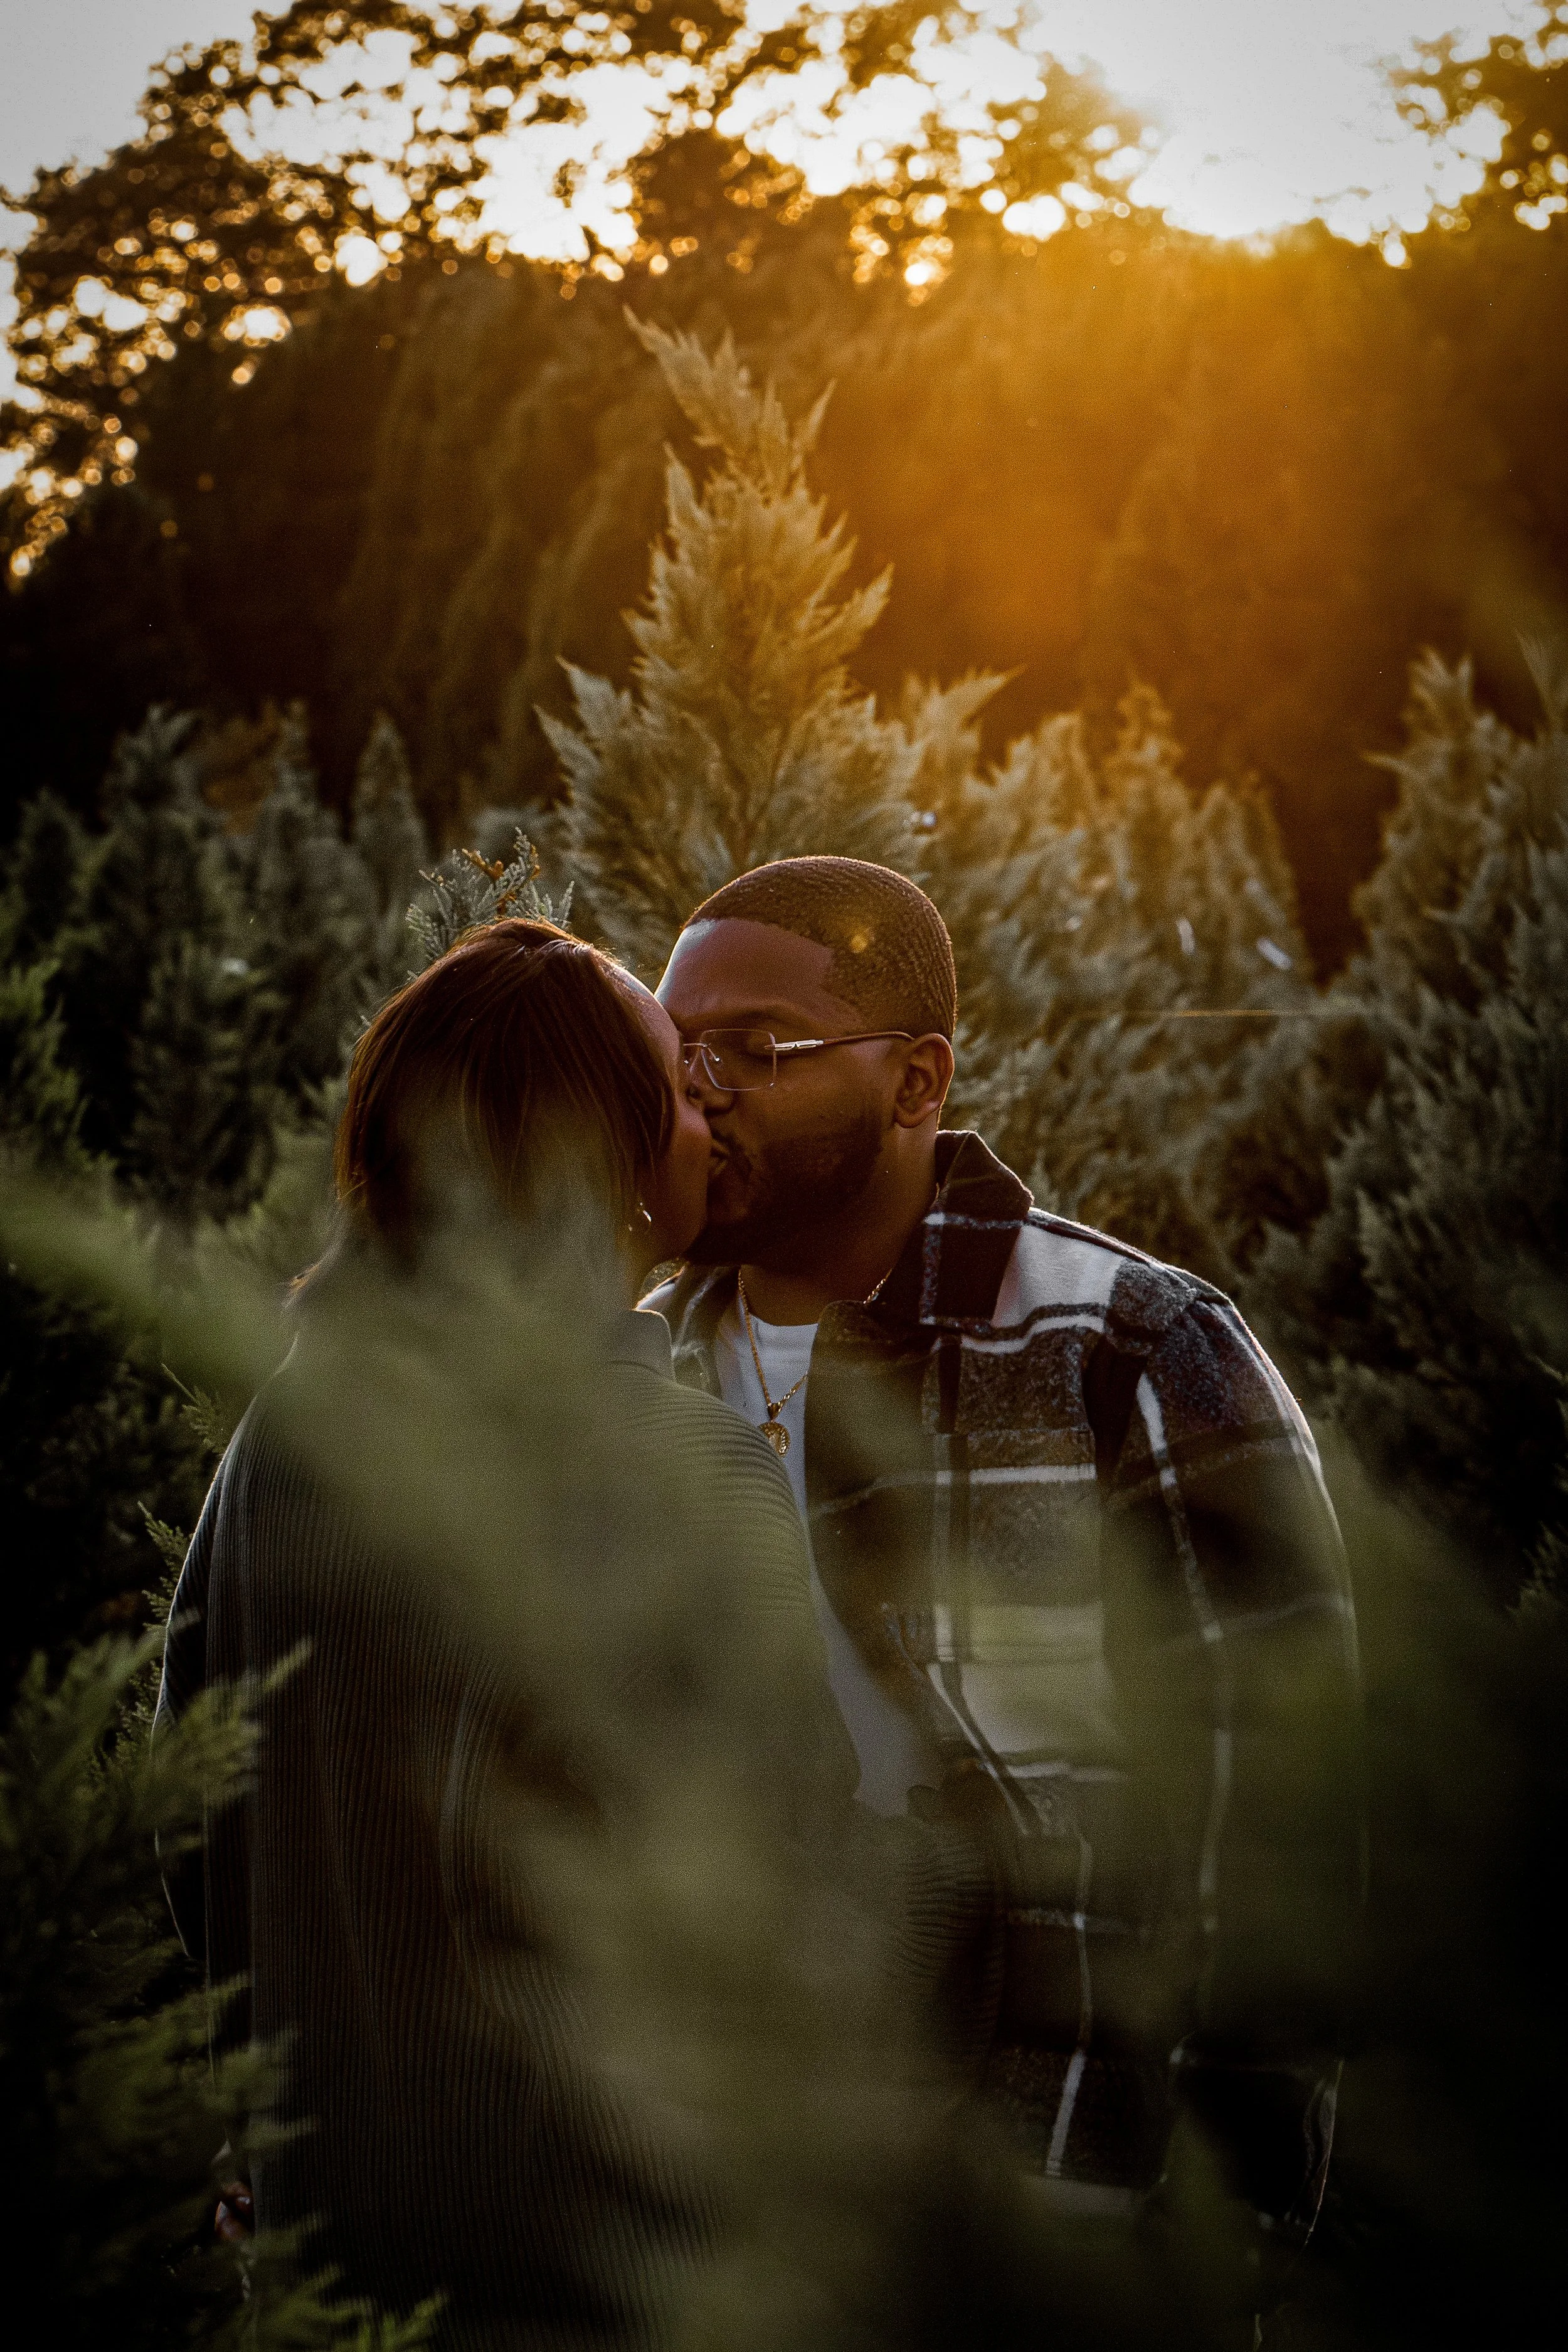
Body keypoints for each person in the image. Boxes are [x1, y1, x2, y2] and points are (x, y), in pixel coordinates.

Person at [157, 917, 855, 2346]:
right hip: (603, 2284)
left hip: (319, 2266)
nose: (709, 1105)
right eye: (672, 1082)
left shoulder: (278, 1444)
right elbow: (779, 1907)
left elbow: (183, 1828)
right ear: (590, 1145)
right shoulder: (683, 1473)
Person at [649, 856, 1363, 2248]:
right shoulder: (634, 1366)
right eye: (679, 1054)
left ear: (918, 1082)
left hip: (1075, 2193)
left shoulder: (1127, 1348)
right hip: (748, 2206)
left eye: (756, 1048)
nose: (703, 1089)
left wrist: (1234, 2209)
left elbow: (1279, 1812)